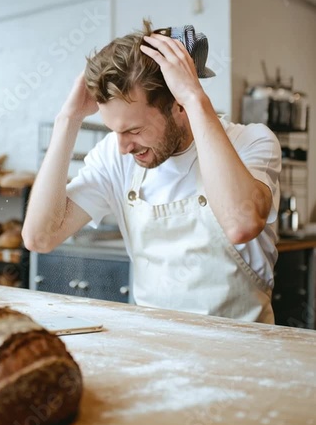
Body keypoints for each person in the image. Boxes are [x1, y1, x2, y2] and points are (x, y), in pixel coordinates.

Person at [22, 20, 281, 323]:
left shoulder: (252, 142)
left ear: (178, 106)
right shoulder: (115, 157)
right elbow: (39, 238)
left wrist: (196, 98)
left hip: (243, 355)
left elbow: (241, 224)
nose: (122, 147)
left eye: (134, 130)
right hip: (155, 348)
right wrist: (67, 120)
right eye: (114, 131)